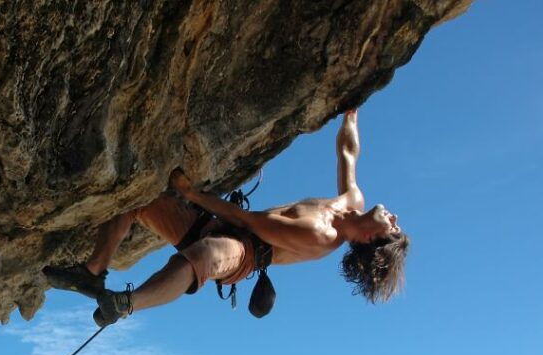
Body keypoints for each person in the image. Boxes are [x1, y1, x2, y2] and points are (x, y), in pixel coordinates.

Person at [44, 109, 409, 327]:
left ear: (367, 240)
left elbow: (247, 223)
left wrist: (190, 195)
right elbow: (348, 152)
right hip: (222, 227)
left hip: (244, 252)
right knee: (139, 199)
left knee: (204, 256)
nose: (394, 217)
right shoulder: (352, 199)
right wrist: (352, 112)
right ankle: (91, 274)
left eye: (392, 228)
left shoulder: (319, 235)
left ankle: (126, 304)